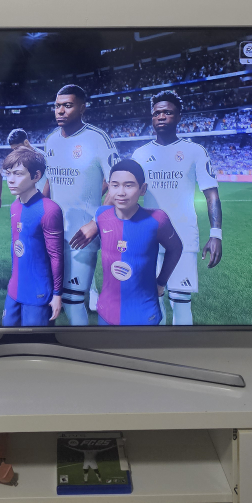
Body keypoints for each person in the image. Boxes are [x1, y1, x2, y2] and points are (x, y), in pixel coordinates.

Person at [131, 90, 223, 325]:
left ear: (179, 117)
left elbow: (211, 194)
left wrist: (216, 234)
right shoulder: (140, 154)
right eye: (156, 113)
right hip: (148, 238)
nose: (161, 116)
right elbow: (126, 194)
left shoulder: (195, 151)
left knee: (180, 303)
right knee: (152, 303)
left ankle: (181, 345)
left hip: (183, 237)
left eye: (167, 112)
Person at [69, 160, 182, 326]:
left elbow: (176, 248)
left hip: (144, 314)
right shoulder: (101, 215)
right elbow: (98, 219)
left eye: (129, 186)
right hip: (106, 311)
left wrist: (161, 283)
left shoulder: (157, 219)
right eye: (115, 185)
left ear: (143, 189)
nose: (121, 192)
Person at [42, 85, 119, 325]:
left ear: (82, 108)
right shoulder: (51, 140)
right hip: (53, 233)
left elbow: (119, 184)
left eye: (67, 105)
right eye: (57, 106)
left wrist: (96, 223)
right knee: (46, 299)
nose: (60, 111)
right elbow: (49, 182)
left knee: (73, 301)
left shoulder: (98, 138)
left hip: (82, 235)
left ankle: (83, 346)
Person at [1, 147, 63, 327]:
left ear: (36, 176)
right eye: (8, 173)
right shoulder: (15, 206)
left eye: (18, 174)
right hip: (14, 289)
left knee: (35, 341)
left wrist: (57, 294)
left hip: (38, 293)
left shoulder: (49, 210)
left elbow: (56, 256)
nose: (10, 179)